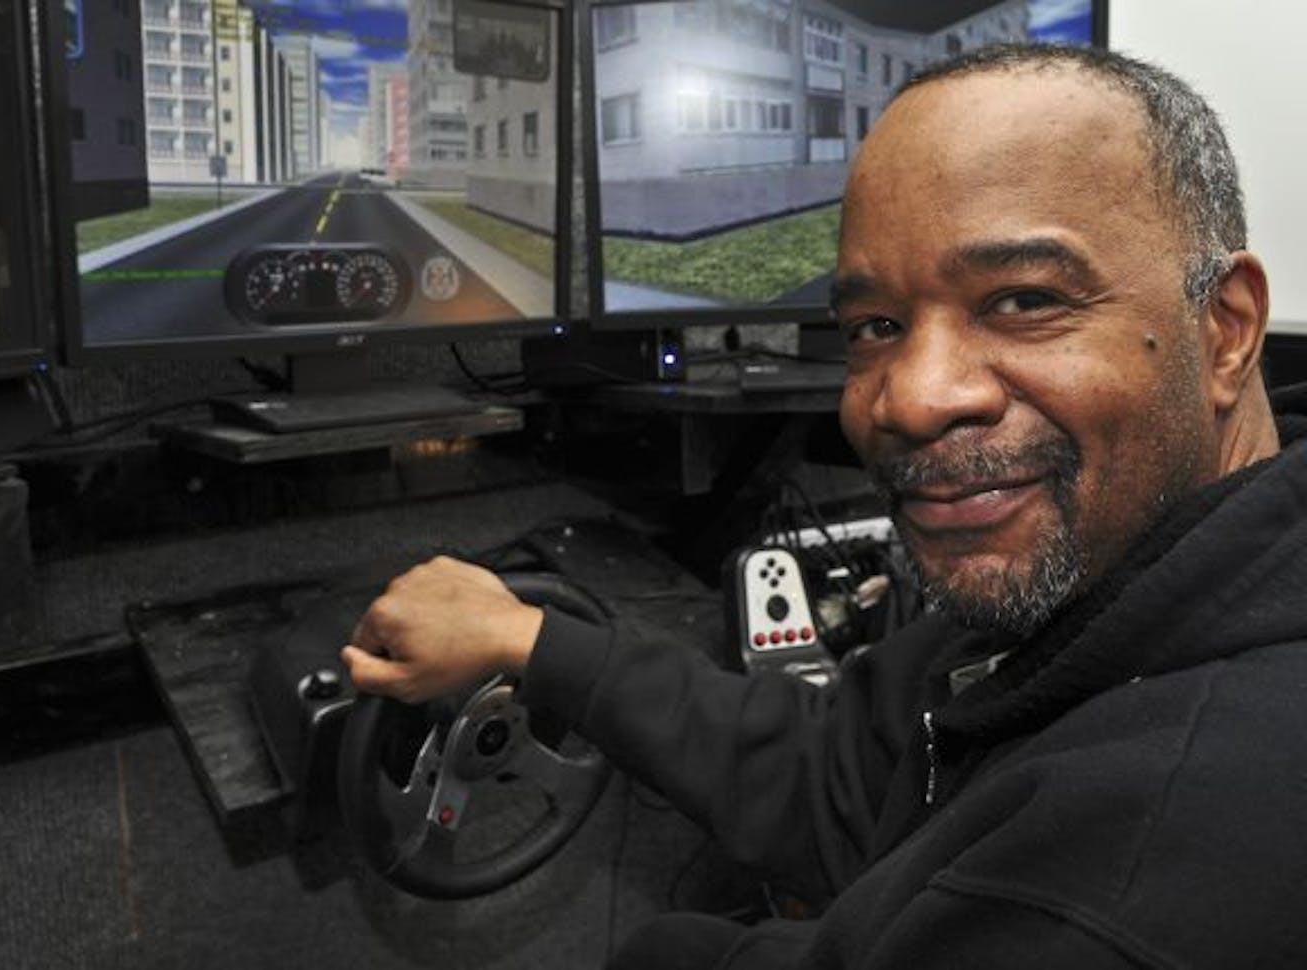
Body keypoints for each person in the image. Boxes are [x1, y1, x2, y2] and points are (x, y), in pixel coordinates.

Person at [342, 43, 1307, 969]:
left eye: (1021, 301)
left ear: (1225, 332)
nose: (912, 398)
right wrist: (531, 642)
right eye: (876, 327)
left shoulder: (1128, 888)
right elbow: (840, 771)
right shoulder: (1121, 562)